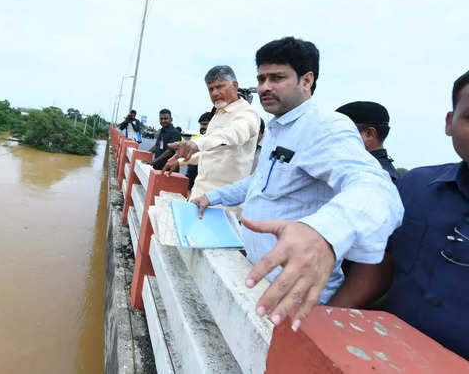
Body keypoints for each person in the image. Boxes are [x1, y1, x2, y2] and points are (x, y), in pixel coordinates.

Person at [189, 37, 403, 332]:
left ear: (307, 80)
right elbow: (259, 183)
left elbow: (376, 187)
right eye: (261, 78)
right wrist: (211, 197)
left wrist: (324, 233)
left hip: (295, 297)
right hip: (258, 279)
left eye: (277, 78)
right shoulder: (279, 127)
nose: (265, 87)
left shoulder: (325, 127)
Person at [332, 71, 469, 360]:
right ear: (449, 122)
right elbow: (381, 265)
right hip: (382, 355)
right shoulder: (414, 187)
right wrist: (323, 318)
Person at [163, 65, 260, 201]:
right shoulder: (218, 114)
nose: (215, 93)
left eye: (220, 87)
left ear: (235, 85)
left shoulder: (247, 113)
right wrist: (181, 161)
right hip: (199, 196)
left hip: (222, 204)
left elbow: (234, 134)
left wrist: (195, 143)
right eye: (211, 89)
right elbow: (210, 154)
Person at [336, 101, 400, 181]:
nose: (333, 138)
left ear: (369, 134)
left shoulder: (372, 177)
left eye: (342, 132)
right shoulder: (384, 174)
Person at [186, 111, 214, 190]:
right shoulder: (195, 138)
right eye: (201, 124)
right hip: (194, 178)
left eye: (205, 124)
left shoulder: (217, 141)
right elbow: (191, 164)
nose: (202, 127)